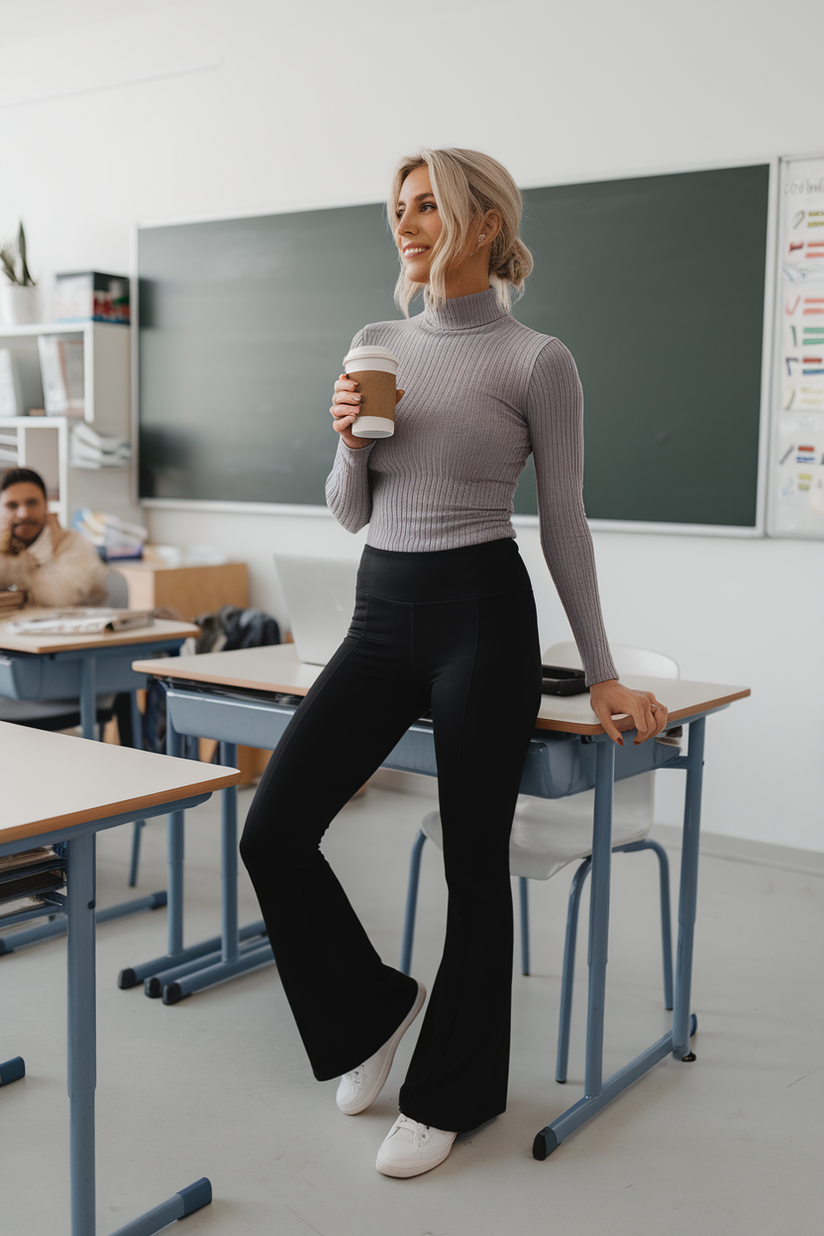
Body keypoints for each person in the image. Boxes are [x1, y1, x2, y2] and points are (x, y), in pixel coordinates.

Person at [240, 148, 668, 1179]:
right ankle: (370, 1013)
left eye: (427, 204)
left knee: (475, 871)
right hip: (381, 613)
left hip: (481, 613)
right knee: (275, 831)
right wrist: (346, 438)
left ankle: (450, 1097)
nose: (406, 222)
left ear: (482, 223)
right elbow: (350, 510)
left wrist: (601, 668)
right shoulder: (374, 340)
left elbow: (562, 521)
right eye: (397, 207)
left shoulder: (535, 359)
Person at [0, 467, 108, 606]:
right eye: (12, 505)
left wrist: (17, 567)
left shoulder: (73, 543)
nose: (24, 514)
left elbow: (60, 598)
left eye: (32, 503)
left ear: (46, 505)